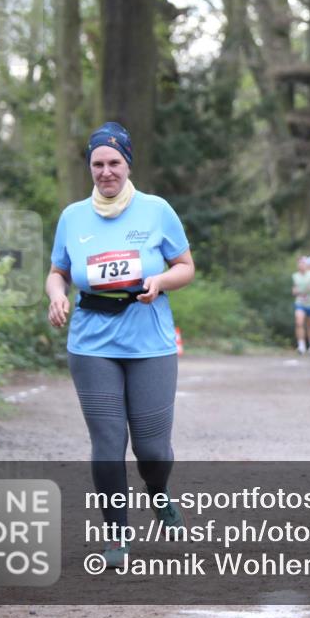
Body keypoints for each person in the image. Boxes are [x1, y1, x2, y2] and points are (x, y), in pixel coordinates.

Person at [46, 122, 195, 569]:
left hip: (149, 339)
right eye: (98, 164)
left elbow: (185, 267)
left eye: (114, 162)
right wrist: (56, 294)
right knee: (108, 441)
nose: (106, 171)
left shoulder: (156, 210)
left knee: (151, 449)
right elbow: (58, 270)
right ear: (89, 167)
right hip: (91, 342)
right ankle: (115, 533)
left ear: (128, 163)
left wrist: (162, 280)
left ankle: (159, 490)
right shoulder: (73, 216)